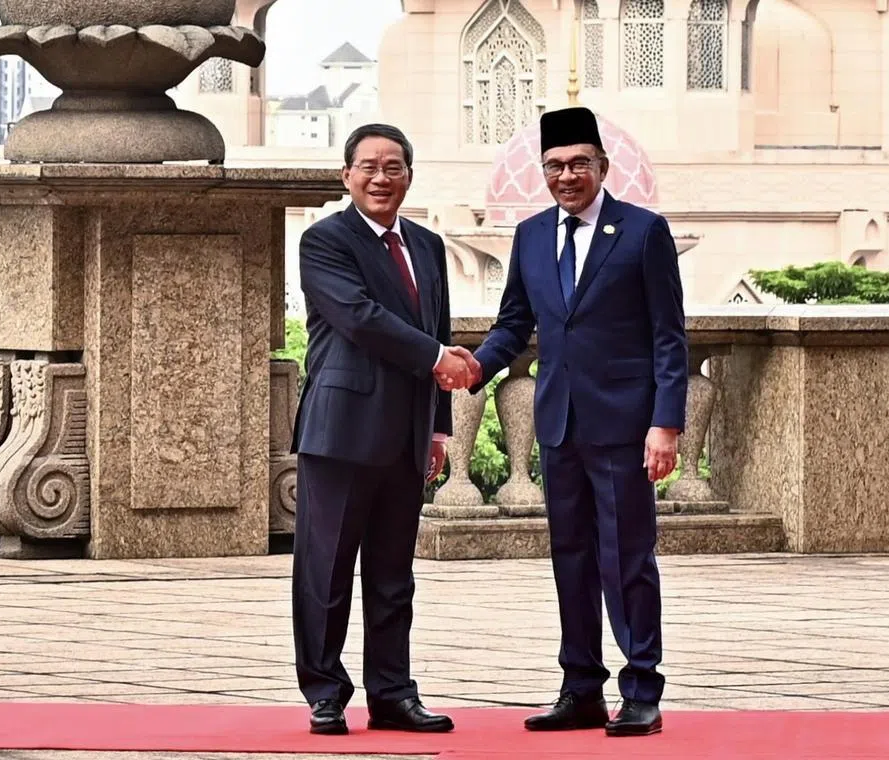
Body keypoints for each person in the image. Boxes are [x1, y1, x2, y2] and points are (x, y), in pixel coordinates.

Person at [443, 107, 688, 737]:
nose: (567, 174)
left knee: (626, 557)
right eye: (555, 165)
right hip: (558, 423)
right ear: (542, 172)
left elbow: (669, 339)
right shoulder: (529, 236)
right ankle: (580, 687)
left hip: (624, 425)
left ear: (602, 167)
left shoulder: (642, 232)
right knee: (571, 557)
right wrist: (476, 368)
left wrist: (666, 424)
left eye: (579, 163)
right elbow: (514, 324)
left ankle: (641, 688)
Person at [291, 123, 478, 736]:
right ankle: (325, 691)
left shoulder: (425, 245)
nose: (381, 177)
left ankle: (393, 694)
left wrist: (440, 429)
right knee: (327, 571)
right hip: (342, 431)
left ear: (409, 176)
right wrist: (437, 359)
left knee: (395, 575)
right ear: (346, 176)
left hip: (407, 435)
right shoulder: (326, 241)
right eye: (368, 166)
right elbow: (360, 318)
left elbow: (438, 327)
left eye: (393, 166)